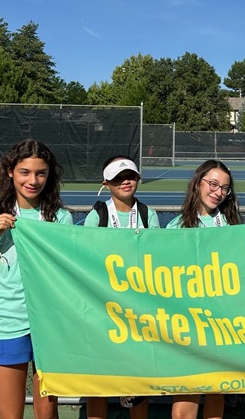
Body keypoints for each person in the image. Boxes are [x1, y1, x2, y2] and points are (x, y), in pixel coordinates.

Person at [0, 139, 73, 419]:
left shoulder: (60, 218)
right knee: (10, 415)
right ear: (10, 171)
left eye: (41, 173)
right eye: (25, 172)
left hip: (50, 326)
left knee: (47, 412)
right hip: (7, 323)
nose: (33, 180)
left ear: (49, 176)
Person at [84, 154, 159, 419]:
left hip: (139, 312)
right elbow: (85, 259)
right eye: (118, 179)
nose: (125, 182)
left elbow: (157, 259)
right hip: (104, 311)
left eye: (130, 176)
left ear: (138, 178)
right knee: (101, 383)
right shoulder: (98, 215)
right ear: (106, 183)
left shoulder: (149, 215)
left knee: (139, 384)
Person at [166, 159, 242, 419]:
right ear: (198, 183)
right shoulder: (176, 227)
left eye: (224, 188)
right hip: (188, 327)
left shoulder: (233, 227)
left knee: (215, 396)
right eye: (212, 184)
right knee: (184, 406)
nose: (218, 192)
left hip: (222, 326)